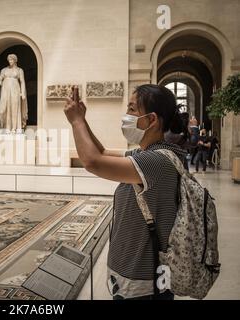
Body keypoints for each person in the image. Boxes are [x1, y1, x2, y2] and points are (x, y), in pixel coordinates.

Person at [64, 84, 186, 300]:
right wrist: (83, 119)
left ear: (151, 120)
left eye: (132, 109)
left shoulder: (157, 161)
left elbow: (93, 161)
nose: (126, 116)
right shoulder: (149, 153)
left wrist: (76, 122)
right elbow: (101, 152)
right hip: (136, 276)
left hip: (144, 282)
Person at [0, 54, 28, 134]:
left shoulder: (19, 70)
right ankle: (7, 127)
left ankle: (14, 128)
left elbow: (22, 82)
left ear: (15, 60)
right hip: (5, 90)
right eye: (9, 60)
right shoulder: (4, 70)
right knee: (5, 108)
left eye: (11, 60)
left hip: (15, 90)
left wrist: (23, 93)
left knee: (14, 108)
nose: (10, 61)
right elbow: (0, 80)